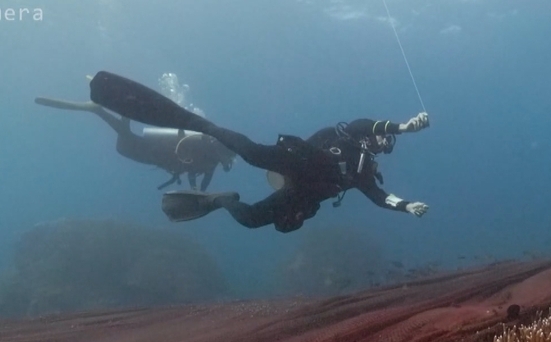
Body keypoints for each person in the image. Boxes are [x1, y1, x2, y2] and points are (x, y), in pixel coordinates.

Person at [88, 71, 431, 233]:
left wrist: (407, 206)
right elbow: (368, 125)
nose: (383, 144)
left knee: (251, 220)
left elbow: (379, 197)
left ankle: (219, 200)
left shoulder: (364, 172)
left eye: (389, 144)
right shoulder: (350, 132)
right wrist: (403, 127)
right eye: (384, 138)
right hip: (296, 160)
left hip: (303, 191)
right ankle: (200, 124)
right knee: (250, 153)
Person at [35, 77, 236, 192]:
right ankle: (109, 108)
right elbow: (193, 169)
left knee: (125, 135)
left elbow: (198, 179)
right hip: (148, 153)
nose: (230, 161)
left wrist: (197, 193)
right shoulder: (208, 154)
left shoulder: (211, 159)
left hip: (150, 153)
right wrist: (197, 192)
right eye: (231, 156)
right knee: (126, 136)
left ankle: (113, 107)